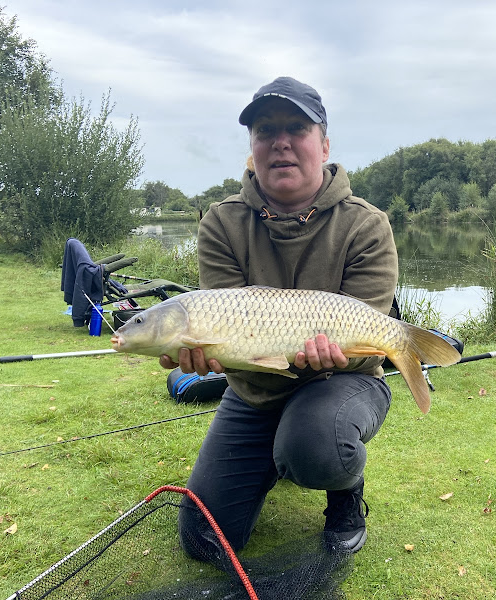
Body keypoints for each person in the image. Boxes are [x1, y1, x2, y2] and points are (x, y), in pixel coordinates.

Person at [159, 76, 399, 561]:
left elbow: (370, 331)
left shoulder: (366, 224)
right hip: (255, 390)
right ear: (252, 147)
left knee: (314, 446)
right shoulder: (222, 222)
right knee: (204, 541)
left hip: (343, 379)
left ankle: (344, 489)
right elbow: (222, 325)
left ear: (324, 143)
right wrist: (211, 356)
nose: (281, 142)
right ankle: (275, 453)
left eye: (297, 128)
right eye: (265, 130)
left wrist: (340, 358)